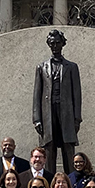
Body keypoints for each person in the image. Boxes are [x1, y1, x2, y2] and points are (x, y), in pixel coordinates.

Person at [33, 28, 82, 174]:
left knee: (68, 149)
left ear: (62, 44)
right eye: (52, 43)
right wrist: (37, 119)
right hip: (48, 115)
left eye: (57, 43)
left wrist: (77, 119)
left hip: (66, 114)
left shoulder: (72, 67)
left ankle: (72, 182)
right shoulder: (41, 67)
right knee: (49, 149)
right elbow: (37, 95)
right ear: (49, 44)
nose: (55, 46)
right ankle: (48, 182)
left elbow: (77, 95)